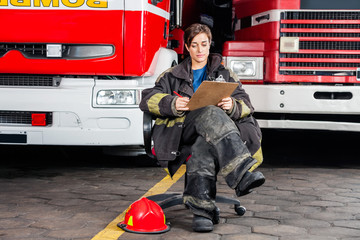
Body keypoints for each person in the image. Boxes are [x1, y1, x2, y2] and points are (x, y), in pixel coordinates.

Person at [139, 23, 265, 232]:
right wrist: (172, 103)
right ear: (187, 47)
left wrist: (232, 105)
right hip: (181, 131)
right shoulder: (171, 75)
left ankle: (202, 212)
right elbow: (147, 100)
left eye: (204, 45)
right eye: (195, 45)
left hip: (213, 137)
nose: (200, 50)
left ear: (209, 45)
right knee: (209, 111)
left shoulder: (225, 74)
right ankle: (241, 172)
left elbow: (247, 105)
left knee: (202, 146)